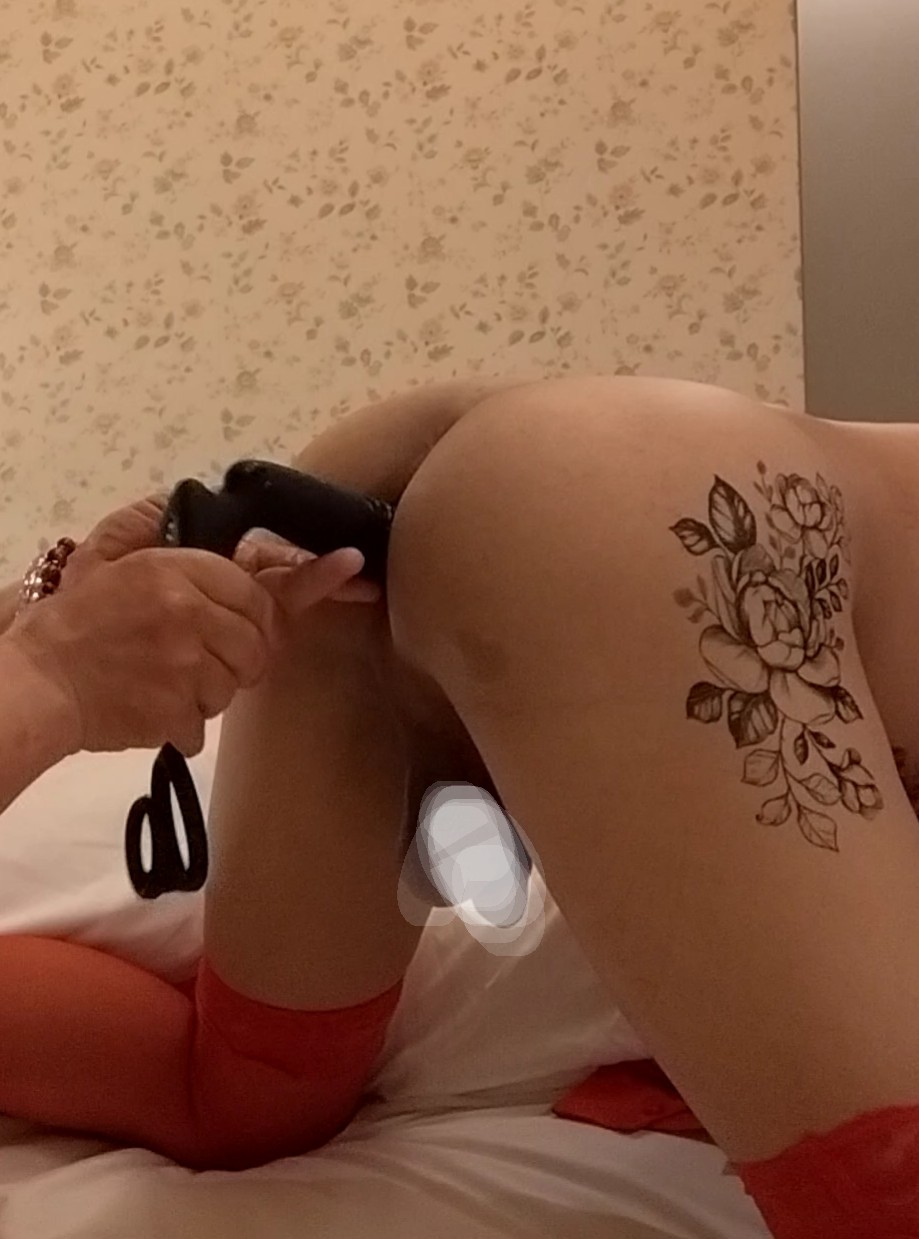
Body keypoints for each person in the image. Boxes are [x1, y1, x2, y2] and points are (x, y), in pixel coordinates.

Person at [2, 373, 918, 1239]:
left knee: (245, 1090)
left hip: (592, 500)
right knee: (247, 1090)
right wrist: (50, 648)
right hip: (567, 482)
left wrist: (52, 645)